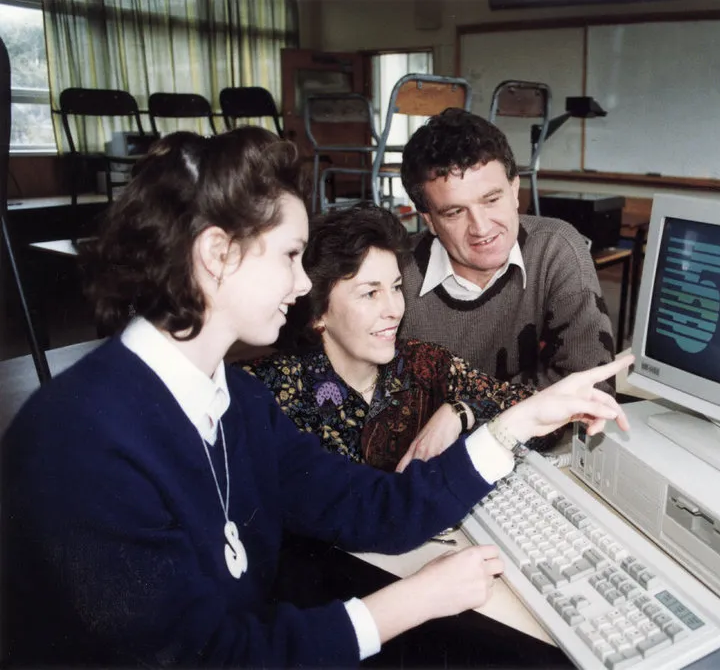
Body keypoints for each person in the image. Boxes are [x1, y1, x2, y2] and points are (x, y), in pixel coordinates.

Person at [0, 126, 633, 668]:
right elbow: (211, 660)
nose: (305, 283)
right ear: (217, 255)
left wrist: (513, 422)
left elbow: (372, 507)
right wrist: (410, 602)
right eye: (292, 256)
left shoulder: (236, 403)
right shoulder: (75, 442)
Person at [242, 203, 538, 473]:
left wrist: (461, 411)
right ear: (318, 313)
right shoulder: (263, 391)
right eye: (370, 293)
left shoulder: (425, 365)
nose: (394, 310)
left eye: (396, 288)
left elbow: (537, 414)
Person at [398, 107, 617, 394]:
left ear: (515, 190)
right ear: (430, 220)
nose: (481, 227)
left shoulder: (556, 248)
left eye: (491, 200)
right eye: (454, 212)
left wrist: (470, 410)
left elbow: (592, 382)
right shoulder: (393, 273)